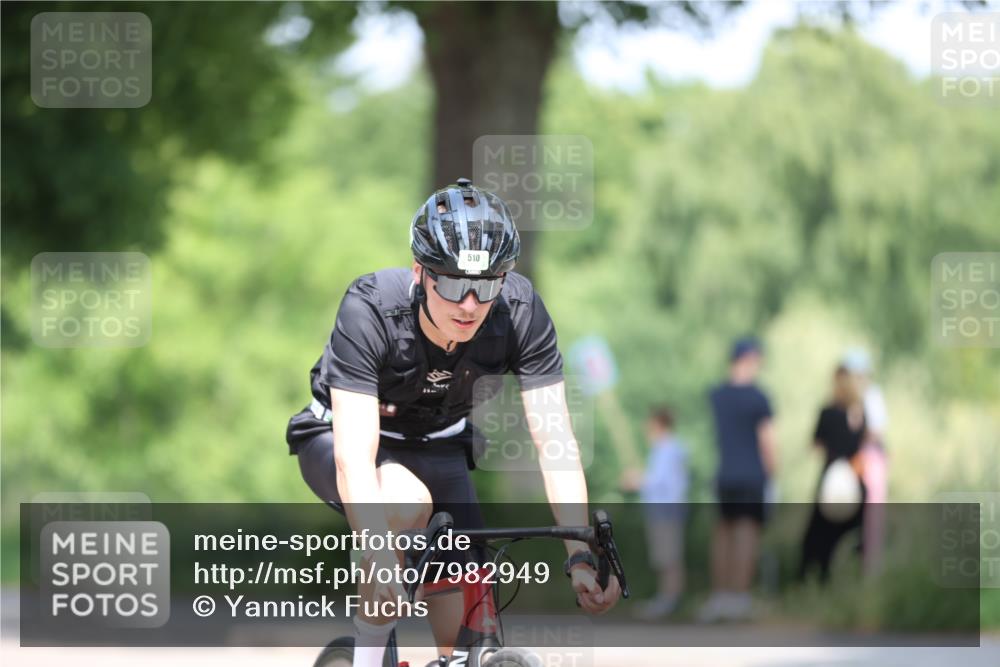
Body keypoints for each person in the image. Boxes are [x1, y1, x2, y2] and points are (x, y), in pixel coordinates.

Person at [285, 178, 620, 667]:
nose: (470, 304)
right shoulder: (371, 308)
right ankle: (367, 654)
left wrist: (579, 554)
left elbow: (556, 442)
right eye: (455, 284)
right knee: (404, 502)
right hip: (349, 441)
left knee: (467, 642)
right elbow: (354, 457)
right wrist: (377, 555)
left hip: (442, 448)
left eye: (487, 286)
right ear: (420, 272)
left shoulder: (520, 311)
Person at [698, 337, 776, 623]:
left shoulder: (717, 395)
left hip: (725, 474)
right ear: (751, 359)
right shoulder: (759, 397)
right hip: (752, 474)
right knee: (746, 534)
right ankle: (739, 597)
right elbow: (768, 442)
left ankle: (720, 596)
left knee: (722, 533)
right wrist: (773, 475)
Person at [798, 365, 867, 583]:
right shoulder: (858, 413)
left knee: (817, 537)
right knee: (853, 536)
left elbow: (816, 444)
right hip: (854, 479)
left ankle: (813, 580)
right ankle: (852, 580)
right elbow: (862, 445)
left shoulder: (828, 412)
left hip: (830, 478)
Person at [629, 406, 689, 620]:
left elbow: (659, 481)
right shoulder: (668, 448)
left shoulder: (667, 449)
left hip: (665, 509)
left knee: (668, 555)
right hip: (665, 508)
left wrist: (637, 480)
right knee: (666, 554)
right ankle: (668, 598)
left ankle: (669, 599)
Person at [842, 347, 889, 575]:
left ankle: (870, 571)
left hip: (869, 459)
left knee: (871, 516)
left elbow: (876, 431)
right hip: (854, 459)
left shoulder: (871, 396)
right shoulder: (847, 399)